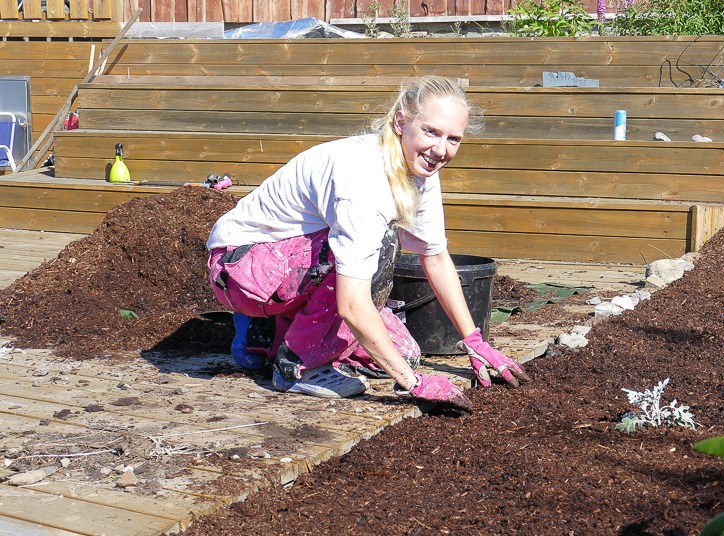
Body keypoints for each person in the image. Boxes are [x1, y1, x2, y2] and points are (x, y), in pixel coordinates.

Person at [206, 75, 530, 411]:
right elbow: (351, 304)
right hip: (241, 267)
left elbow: (434, 257)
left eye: (453, 139)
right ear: (401, 122)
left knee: (405, 354)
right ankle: (296, 367)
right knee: (378, 249)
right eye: (431, 132)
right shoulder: (362, 178)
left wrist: (474, 341)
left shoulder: (419, 170)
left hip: (294, 267)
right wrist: (413, 384)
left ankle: (265, 336)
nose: (441, 149)